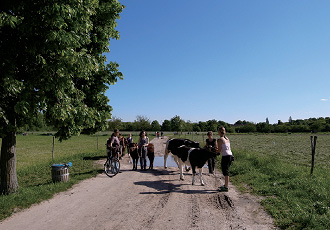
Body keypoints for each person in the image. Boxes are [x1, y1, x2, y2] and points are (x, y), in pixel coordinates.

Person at [217, 126, 234, 192]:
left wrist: (214, 151)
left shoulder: (220, 139)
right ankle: (225, 185)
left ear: (219, 132)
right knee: (226, 170)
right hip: (230, 155)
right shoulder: (227, 139)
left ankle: (226, 187)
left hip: (225, 156)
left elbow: (219, 150)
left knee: (225, 172)